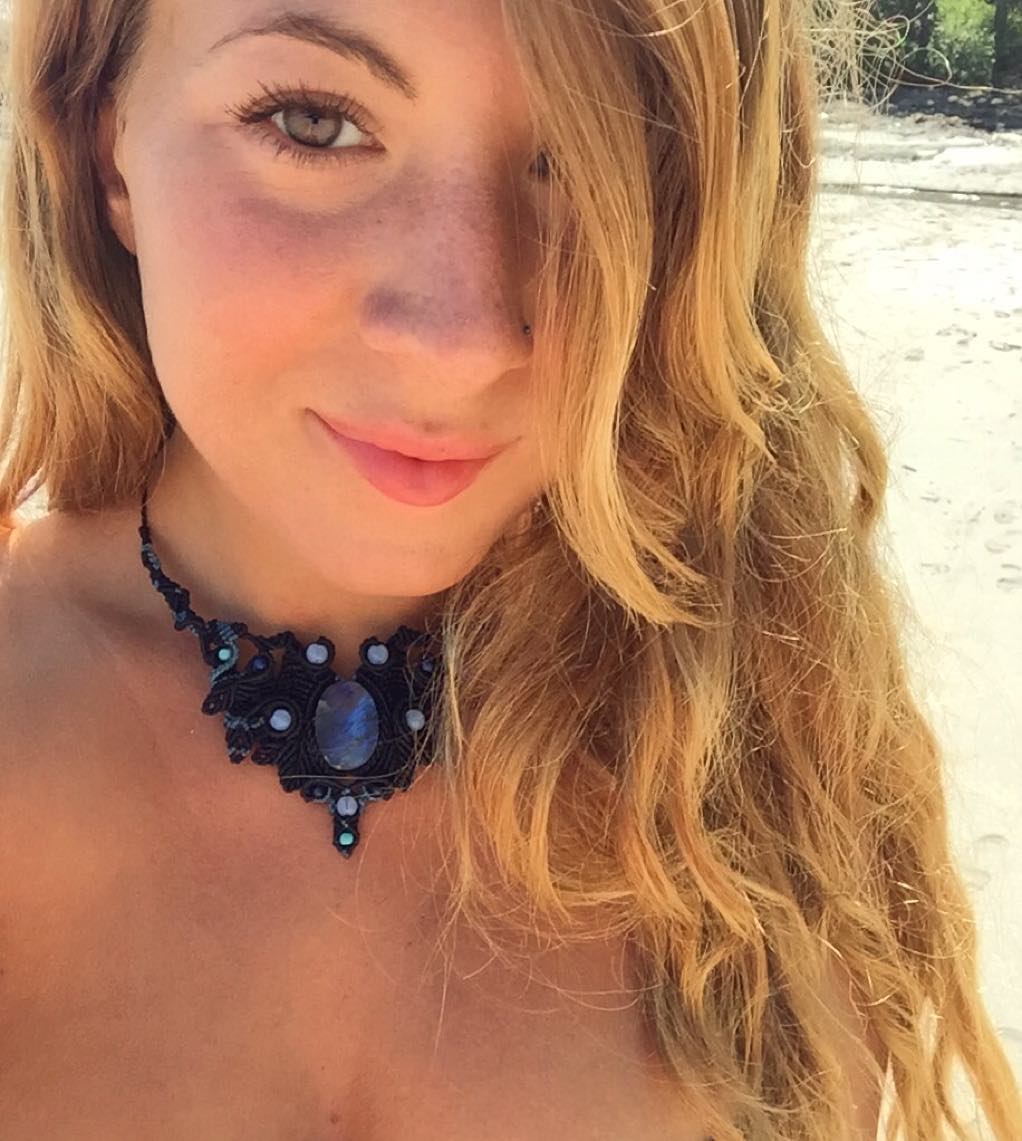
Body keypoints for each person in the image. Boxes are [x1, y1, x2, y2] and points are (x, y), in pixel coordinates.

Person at [0, 1, 1017, 1138]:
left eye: (587, 154)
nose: (467, 337)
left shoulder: (767, 775)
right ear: (105, 142)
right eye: (312, 120)